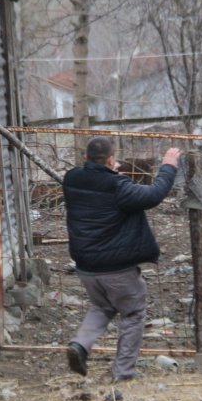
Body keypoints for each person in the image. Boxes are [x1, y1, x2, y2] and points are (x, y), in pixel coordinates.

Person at [62, 136, 181, 381]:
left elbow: (96, 183)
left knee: (103, 306)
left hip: (86, 267)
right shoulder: (118, 187)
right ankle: (123, 371)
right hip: (117, 269)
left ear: (86, 158)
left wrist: (110, 173)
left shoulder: (72, 179)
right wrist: (168, 165)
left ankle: (80, 345)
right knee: (133, 314)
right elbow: (154, 194)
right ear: (111, 159)